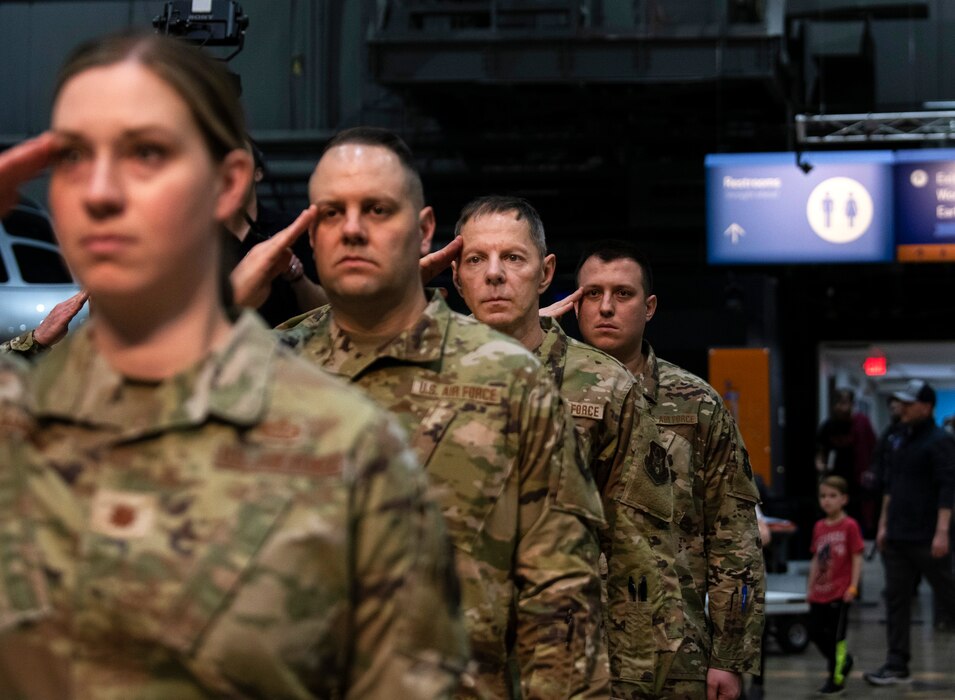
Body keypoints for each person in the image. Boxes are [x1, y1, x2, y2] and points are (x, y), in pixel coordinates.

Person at [0, 33, 468, 699]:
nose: (104, 192)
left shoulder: (346, 449)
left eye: (146, 156)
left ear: (225, 185)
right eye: (75, 159)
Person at [276, 128, 606, 698]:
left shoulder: (508, 378)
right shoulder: (268, 370)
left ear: (424, 231)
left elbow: (561, 596)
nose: (352, 229)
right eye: (331, 213)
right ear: (310, 232)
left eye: (377, 209)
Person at [451, 195, 680, 696]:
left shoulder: (605, 384)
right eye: (476, 259)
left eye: (513, 258)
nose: (494, 274)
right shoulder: (423, 380)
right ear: (454, 275)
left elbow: (639, 551)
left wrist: (633, 679)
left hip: (566, 664)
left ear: (545, 271)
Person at [547, 239, 765, 699]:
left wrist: (729, 656)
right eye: (592, 293)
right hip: (563, 643)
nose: (605, 307)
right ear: (573, 302)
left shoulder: (696, 403)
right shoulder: (536, 389)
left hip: (672, 648)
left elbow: (734, 534)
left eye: (622, 294)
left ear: (649, 307)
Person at [864, 379, 955, 686]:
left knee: (949, 596)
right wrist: (883, 525)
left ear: (926, 407)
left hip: (929, 537)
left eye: (909, 403)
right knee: (896, 600)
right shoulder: (898, 438)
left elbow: (947, 488)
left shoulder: (940, 441)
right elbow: (891, 485)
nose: (902, 407)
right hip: (898, 536)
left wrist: (942, 532)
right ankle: (896, 664)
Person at [806, 476, 864, 695]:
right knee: (814, 632)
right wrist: (810, 588)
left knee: (837, 637)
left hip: (840, 593)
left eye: (832, 496)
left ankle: (836, 678)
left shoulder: (850, 526)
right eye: (823, 496)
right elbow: (815, 559)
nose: (827, 501)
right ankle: (844, 662)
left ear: (844, 499)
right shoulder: (819, 527)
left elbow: (857, 557)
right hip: (820, 592)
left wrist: (853, 586)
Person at [815, 389, 877, 534]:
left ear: (851, 404)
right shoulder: (828, 426)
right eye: (837, 404)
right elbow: (820, 451)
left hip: (858, 482)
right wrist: (821, 466)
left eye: (844, 403)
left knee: (857, 518)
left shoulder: (861, 423)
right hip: (835, 481)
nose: (840, 408)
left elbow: (873, 449)